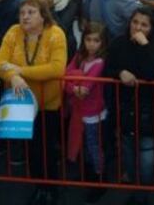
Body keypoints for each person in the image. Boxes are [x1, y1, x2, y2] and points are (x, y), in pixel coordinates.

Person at [0, 0, 68, 205]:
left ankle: (51, 189)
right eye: (22, 12)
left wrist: (20, 70)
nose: (25, 17)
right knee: (31, 150)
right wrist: (12, 76)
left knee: (46, 149)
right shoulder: (13, 32)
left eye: (31, 12)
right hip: (21, 105)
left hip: (47, 104)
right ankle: (39, 187)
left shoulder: (56, 34)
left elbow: (56, 68)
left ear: (43, 15)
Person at [104, 7, 154, 205]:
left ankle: (143, 197)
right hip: (124, 110)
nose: (137, 27)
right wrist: (119, 73)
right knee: (129, 157)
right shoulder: (118, 43)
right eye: (135, 22)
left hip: (149, 113)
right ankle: (137, 191)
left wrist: (145, 45)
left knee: (147, 161)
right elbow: (107, 68)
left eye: (144, 25)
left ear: (152, 28)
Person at [64, 22, 109, 200]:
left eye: (96, 41)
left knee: (93, 146)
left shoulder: (99, 63)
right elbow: (64, 77)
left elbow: (85, 88)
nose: (91, 44)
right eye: (88, 40)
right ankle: (90, 174)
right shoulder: (79, 56)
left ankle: (100, 179)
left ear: (102, 43)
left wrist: (73, 83)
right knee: (82, 143)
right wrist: (76, 84)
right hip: (78, 109)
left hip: (93, 113)